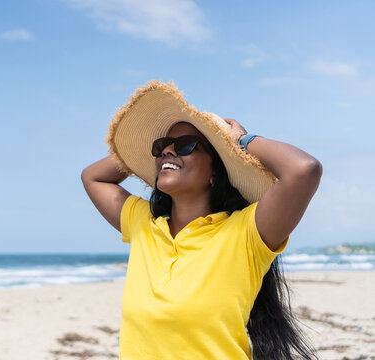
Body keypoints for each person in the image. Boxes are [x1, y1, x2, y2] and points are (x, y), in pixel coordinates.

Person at [81, 81, 323, 360]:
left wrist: (238, 141)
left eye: (185, 146)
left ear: (215, 171)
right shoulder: (143, 222)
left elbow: (304, 170)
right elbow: (92, 176)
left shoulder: (245, 233)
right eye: (162, 146)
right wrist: (148, 149)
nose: (167, 152)